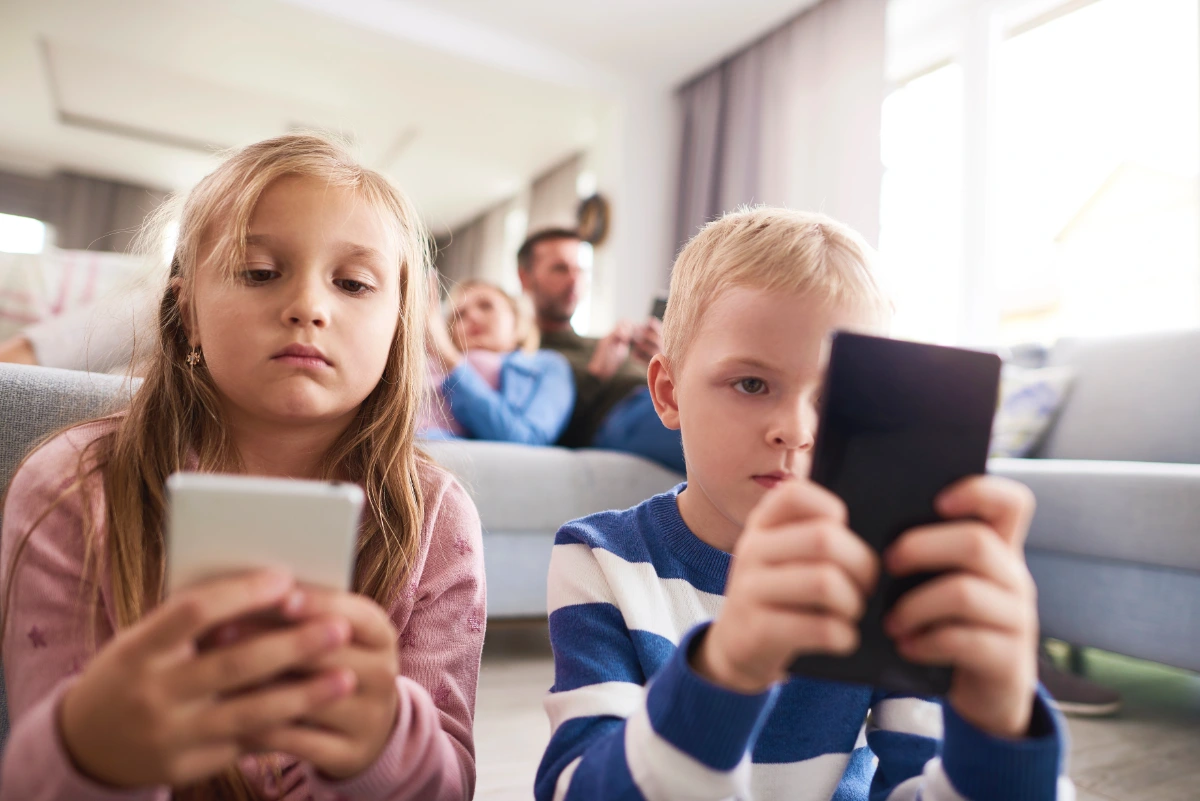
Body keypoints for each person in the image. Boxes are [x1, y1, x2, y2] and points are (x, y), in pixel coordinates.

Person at [0, 133, 485, 800]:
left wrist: (385, 739)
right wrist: (95, 747)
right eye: (259, 271)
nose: (308, 307)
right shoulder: (71, 486)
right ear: (186, 313)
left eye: (353, 283)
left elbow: (449, 782)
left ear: (400, 325)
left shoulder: (439, 515)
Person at [535, 208, 1073, 801]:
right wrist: (724, 673)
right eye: (751, 384)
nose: (795, 429)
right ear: (667, 393)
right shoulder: (601, 559)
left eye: (832, 396)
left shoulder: (887, 574)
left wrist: (999, 730)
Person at [516, 229, 684, 470]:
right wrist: (596, 375)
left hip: (666, 396)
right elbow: (543, 429)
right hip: (621, 417)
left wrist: (666, 361)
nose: (574, 280)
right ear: (525, 277)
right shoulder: (523, 354)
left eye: (580, 270)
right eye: (560, 269)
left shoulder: (602, 342)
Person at [421, 278, 574, 445]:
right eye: (460, 315)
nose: (472, 316)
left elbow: (527, 441)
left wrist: (447, 356)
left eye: (486, 306)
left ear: (517, 321)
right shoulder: (428, 364)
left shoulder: (548, 365)